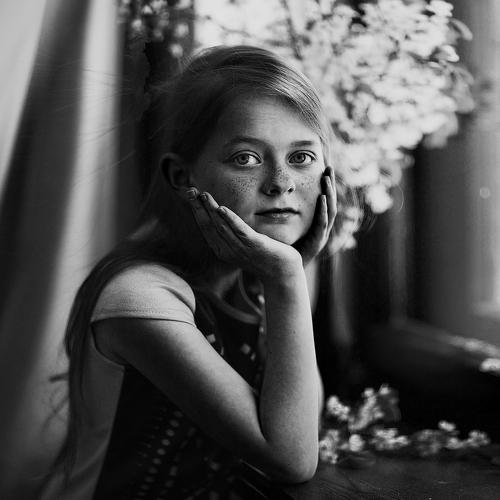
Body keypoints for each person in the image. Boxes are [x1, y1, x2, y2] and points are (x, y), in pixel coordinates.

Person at [43, 45, 339, 500]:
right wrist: (286, 279)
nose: (281, 183)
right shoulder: (140, 299)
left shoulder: (258, 273)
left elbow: (304, 421)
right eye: (246, 158)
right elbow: (292, 458)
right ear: (183, 178)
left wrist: (293, 274)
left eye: (301, 157)